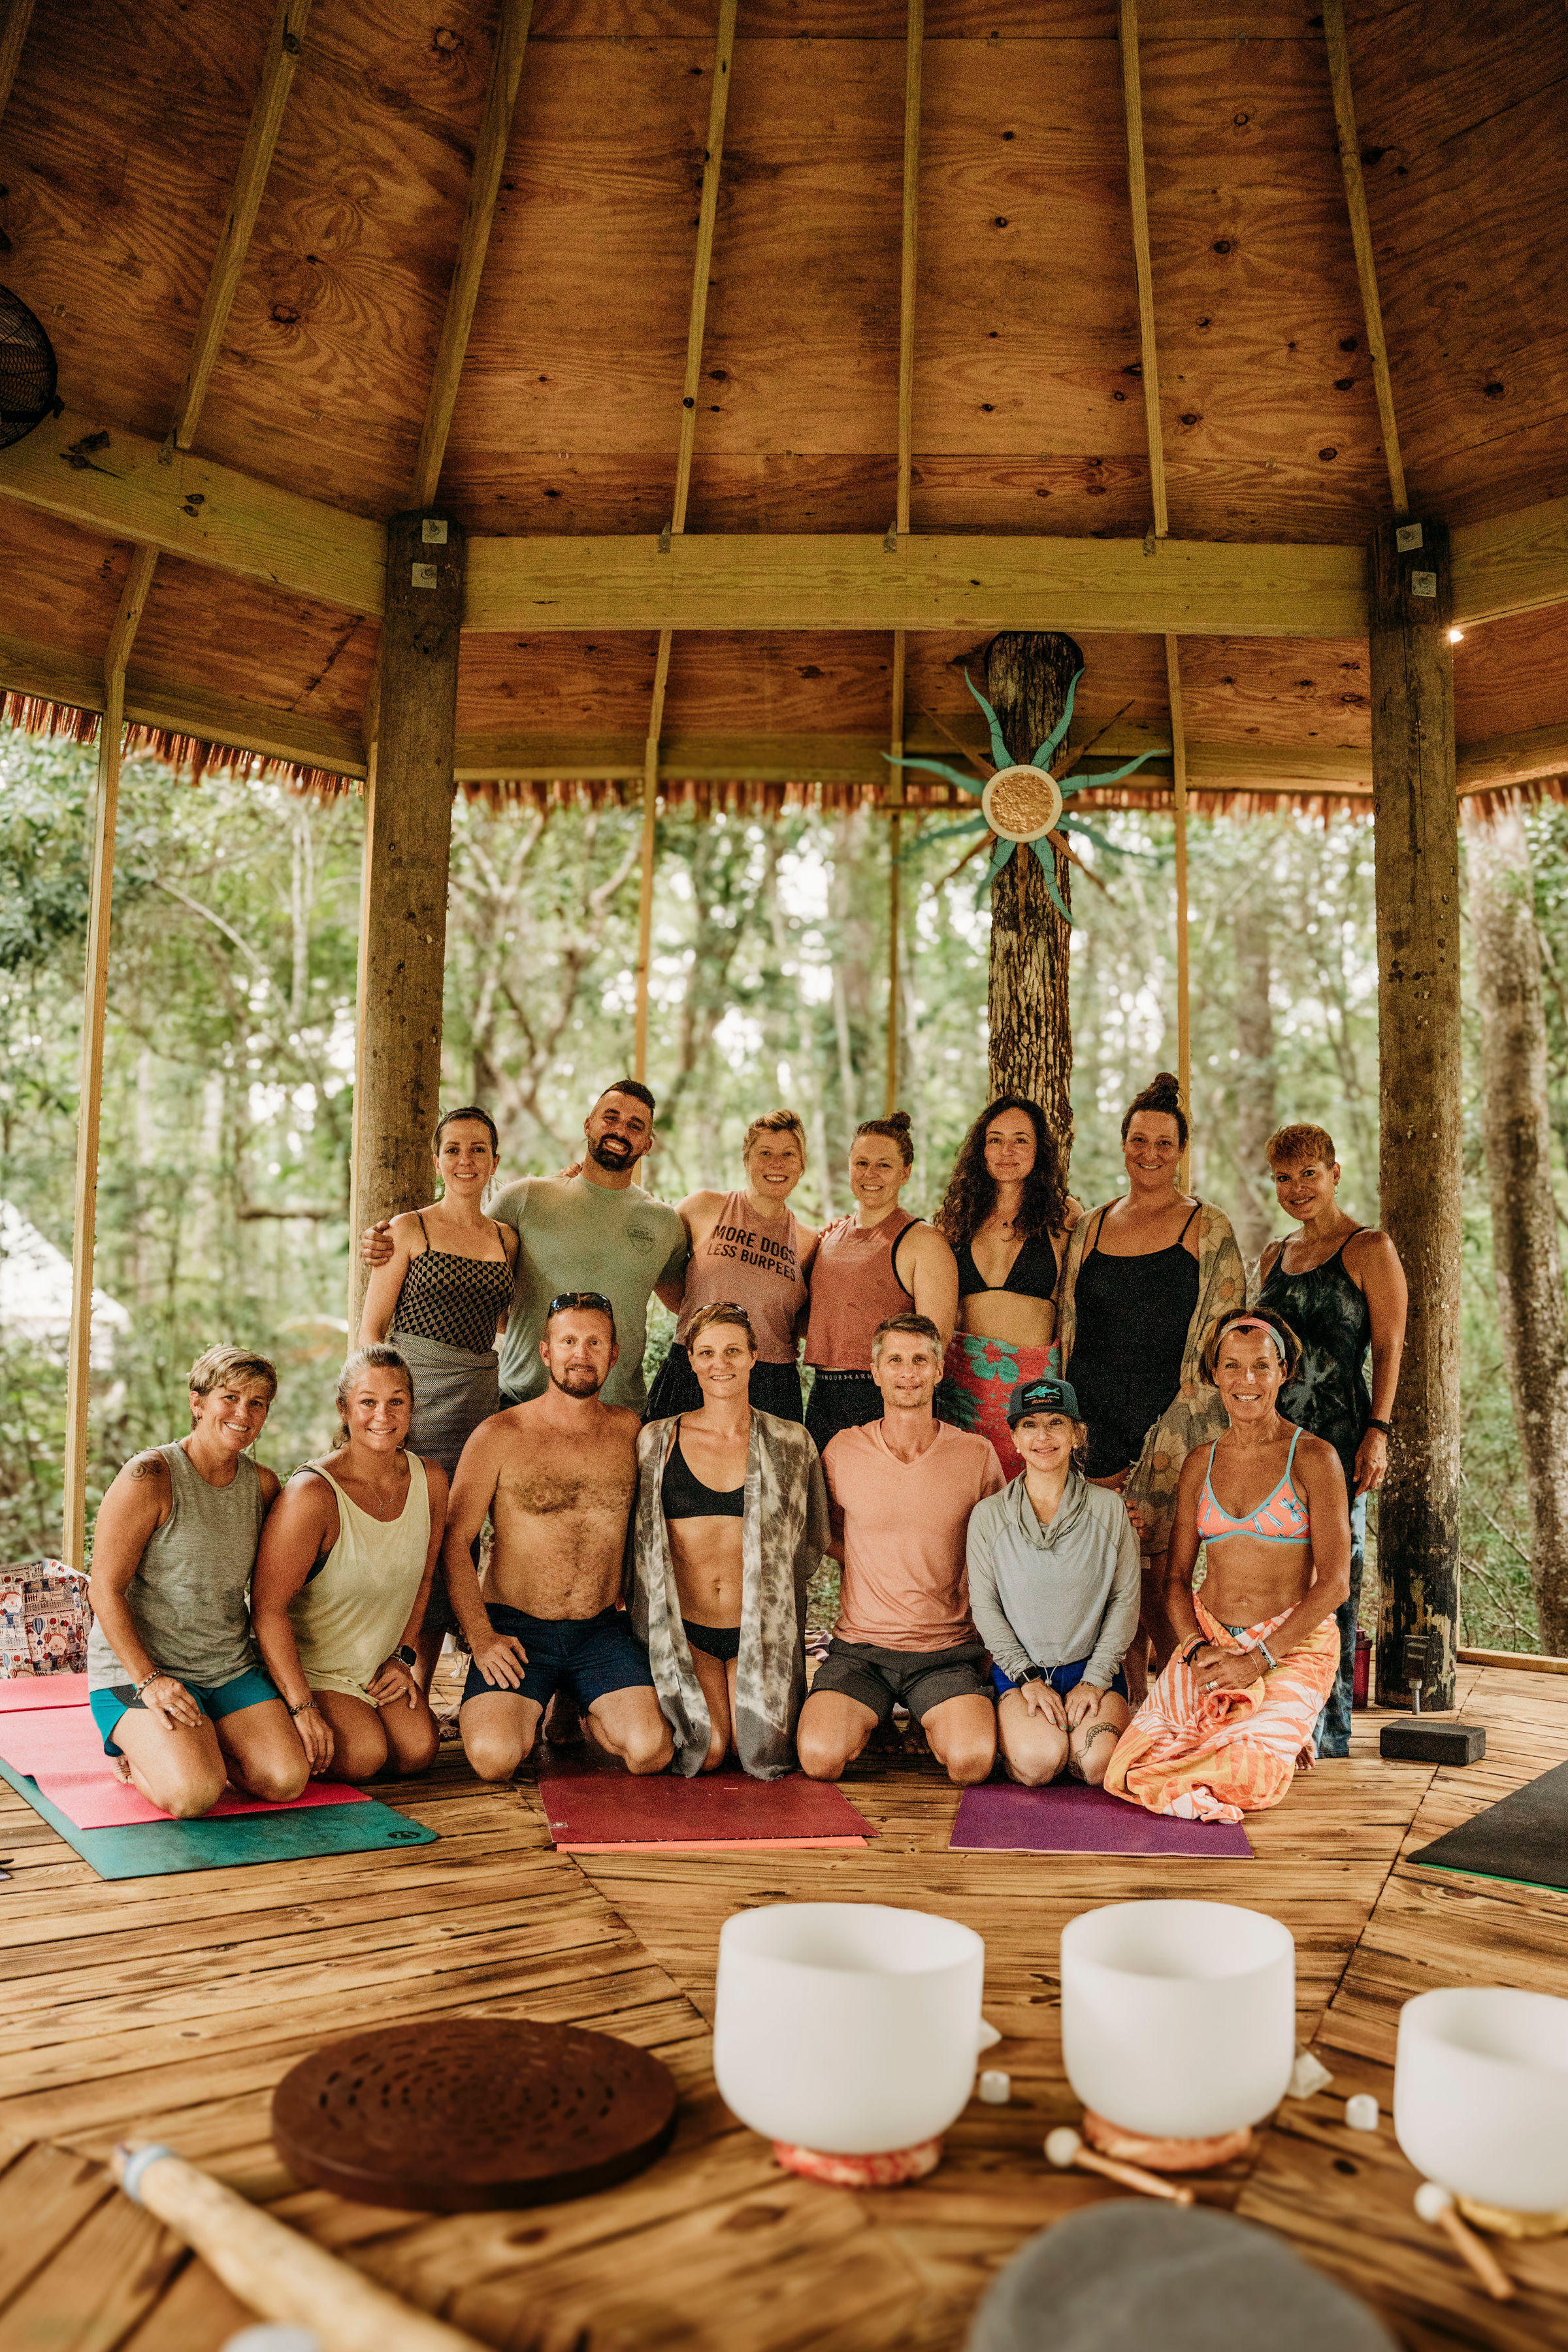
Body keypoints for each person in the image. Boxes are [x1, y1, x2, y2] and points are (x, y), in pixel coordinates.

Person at [1104, 1307, 1348, 1823]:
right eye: (1232, 1366)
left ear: (1283, 1371)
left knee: (1243, 1776)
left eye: (1261, 1366)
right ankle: (1260, 1729)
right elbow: (1175, 1579)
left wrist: (1258, 1661)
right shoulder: (1201, 1461)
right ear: (1214, 1373)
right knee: (1123, 1765)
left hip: (1287, 1648)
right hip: (1211, 1642)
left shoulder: (1314, 1457)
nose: (1247, 1380)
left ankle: (1271, 1726)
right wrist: (1194, 1649)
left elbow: (1335, 1585)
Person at [1054, 1073, 1244, 1683]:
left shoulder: (1207, 1227)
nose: (1150, 1154)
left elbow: (1224, 1335)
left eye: (1165, 1143)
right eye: (1139, 1140)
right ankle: (1130, 1701)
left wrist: (1194, 1427)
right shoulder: (1091, 1226)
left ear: (1182, 1151)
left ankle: (1190, 1698)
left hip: (1171, 1430)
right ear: (1123, 1145)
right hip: (1090, 1430)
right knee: (1111, 1581)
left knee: (1164, 1584)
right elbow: (1067, 1324)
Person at [441, 1294, 674, 1780]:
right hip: (516, 1630)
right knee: (495, 1759)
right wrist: (481, 1637)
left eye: (595, 1343)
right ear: (546, 1352)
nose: (580, 1354)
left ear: (614, 1354)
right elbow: (455, 1540)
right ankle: (538, 1703)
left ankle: (577, 1699)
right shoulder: (499, 1433)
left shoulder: (629, 1430)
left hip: (599, 1630)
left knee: (650, 1751)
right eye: (568, 1341)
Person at [360, 1079, 688, 1417]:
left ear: (647, 1144)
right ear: (588, 1124)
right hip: (518, 1402)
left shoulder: (665, 1223)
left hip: (618, 1411)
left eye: (635, 1126)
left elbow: (685, 1303)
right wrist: (386, 1239)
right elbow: (462, 1241)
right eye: (611, 1118)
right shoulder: (525, 1198)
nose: (620, 1131)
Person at [85, 1346, 307, 1818]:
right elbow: (102, 1588)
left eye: (257, 1403)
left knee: (286, 1780)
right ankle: (139, 1750)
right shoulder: (149, 1476)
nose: (243, 1413)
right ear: (197, 1403)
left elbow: (274, 1592)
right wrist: (149, 1681)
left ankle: (193, 1745)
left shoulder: (264, 1485)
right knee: (194, 1795)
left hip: (227, 1667)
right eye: (230, 1398)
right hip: (140, 1672)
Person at [798, 1312, 1003, 1787]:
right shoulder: (843, 1450)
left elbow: (1002, 1549)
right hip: (861, 1650)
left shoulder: (976, 1455)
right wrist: (869, 1558)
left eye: (919, 1360)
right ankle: (874, 1719)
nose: (908, 1372)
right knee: (819, 1758)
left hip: (945, 1651)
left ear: (939, 1370)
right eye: (895, 1360)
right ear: (875, 1371)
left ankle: (928, 1719)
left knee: (971, 1762)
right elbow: (824, 1532)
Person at [1256, 1122, 1407, 1757]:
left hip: (1342, 1438)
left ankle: (1328, 1728)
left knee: (1333, 1578)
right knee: (1276, 1575)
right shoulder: (1273, 1255)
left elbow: (1390, 1345)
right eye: (1284, 1178)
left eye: (1309, 1174)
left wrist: (1378, 1431)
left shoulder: (1369, 1247)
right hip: (1273, 1441)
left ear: (1335, 1173)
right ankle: (1278, 1717)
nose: (1297, 1188)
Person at [356, 1105, 518, 1684]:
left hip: (475, 1399)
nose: (465, 1160)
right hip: (414, 1396)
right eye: (453, 1149)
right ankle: (368, 1671)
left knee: (454, 1533)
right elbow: (371, 1330)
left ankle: (421, 1687)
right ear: (437, 1160)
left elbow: (501, 1322)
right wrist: (378, 1407)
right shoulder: (408, 1229)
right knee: (403, 1529)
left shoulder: (506, 1239)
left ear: (495, 1161)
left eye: (478, 1149)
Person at [633, 1301, 829, 1777]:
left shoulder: (792, 1442)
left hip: (759, 1632)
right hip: (686, 1632)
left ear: (754, 1356)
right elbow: (635, 1541)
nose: (719, 1363)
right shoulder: (656, 1440)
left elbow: (811, 1540)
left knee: (756, 1749)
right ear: (691, 1360)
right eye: (706, 1352)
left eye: (733, 1351)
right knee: (710, 1749)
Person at [251, 1347, 446, 1784]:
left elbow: (425, 1578)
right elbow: (267, 1609)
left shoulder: (431, 1479)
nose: (383, 1415)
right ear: (344, 1409)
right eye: (367, 1402)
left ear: (412, 1407)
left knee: (418, 1751)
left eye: (396, 1401)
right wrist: (302, 1706)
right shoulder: (312, 1494)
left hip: (377, 1667)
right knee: (363, 1756)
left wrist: (403, 1657)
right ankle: (267, 1727)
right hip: (313, 1671)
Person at [967, 1375, 1138, 1788]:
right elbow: (985, 1606)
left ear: (1077, 1435)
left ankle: (1072, 1735)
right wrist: (1027, 1680)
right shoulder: (989, 1516)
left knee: (1097, 1766)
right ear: (1014, 1439)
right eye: (1029, 1424)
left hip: (1091, 1668)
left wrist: (1094, 1680)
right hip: (1022, 1673)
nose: (1042, 1436)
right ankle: (1023, 1737)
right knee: (1039, 1764)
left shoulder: (1110, 1509)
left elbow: (1125, 1600)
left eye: (1056, 1422)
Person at [934, 1094, 1079, 1477]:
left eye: (1020, 1140)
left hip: (1034, 1391)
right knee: (966, 1491)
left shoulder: (1064, 1217)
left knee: (1034, 1493)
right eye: (995, 1139)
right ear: (981, 1149)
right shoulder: (955, 1218)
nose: (1006, 1151)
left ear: (1039, 1149)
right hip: (962, 1385)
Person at [645, 1108, 820, 1424]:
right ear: (746, 1159)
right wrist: (703, 1320)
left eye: (788, 1154)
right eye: (764, 1153)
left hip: (770, 1380)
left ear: (802, 1165)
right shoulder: (703, 1207)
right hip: (696, 1366)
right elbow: (659, 1266)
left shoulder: (809, 1242)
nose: (776, 1163)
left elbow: (803, 1319)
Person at [801, 1111, 958, 1454]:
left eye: (884, 1165)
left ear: (906, 1173)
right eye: (861, 1163)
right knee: (823, 1490)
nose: (870, 1174)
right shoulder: (829, 1238)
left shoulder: (923, 1241)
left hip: (887, 1398)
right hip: (823, 1395)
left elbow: (935, 1342)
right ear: (849, 1167)